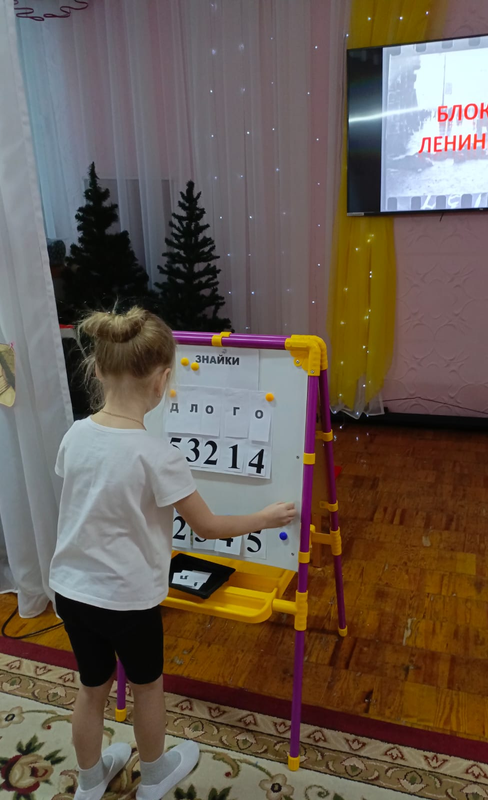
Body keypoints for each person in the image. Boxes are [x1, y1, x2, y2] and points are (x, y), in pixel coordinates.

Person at [50, 307, 296, 800]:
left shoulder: (75, 434)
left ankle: (90, 781)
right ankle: (155, 774)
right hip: (129, 601)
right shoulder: (158, 455)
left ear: (97, 370)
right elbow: (208, 526)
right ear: (163, 381)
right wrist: (265, 518)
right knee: (147, 688)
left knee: (91, 688)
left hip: (71, 592)